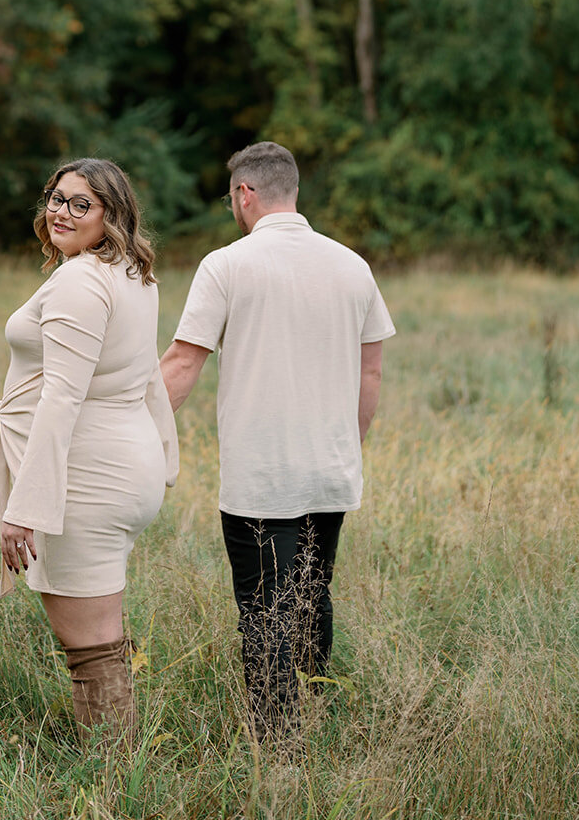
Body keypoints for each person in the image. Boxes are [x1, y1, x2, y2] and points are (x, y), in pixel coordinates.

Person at [160, 141, 395, 737]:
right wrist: (348, 443)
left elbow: (183, 365)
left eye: (230, 198)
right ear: (292, 190)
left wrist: (126, 428)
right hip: (331, 470)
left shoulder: (227, 264)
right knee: (313, 596)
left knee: (264, 610)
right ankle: (311, 717)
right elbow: (371, 372)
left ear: (244, 194)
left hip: (262, 477)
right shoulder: (352, 265)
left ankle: (277, 746)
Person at [0, 158, 178, 741]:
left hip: (87, 478)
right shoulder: (131, 275)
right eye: (55, 198)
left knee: (90, 651)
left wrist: (25, 508)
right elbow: (148, 378)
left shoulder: (80, 282)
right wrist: (164, 459)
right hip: (122, 465)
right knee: (100, 636)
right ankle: (116, 764)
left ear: (111, 215)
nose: (60, 212)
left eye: (80, 204)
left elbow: (61, 398)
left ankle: (111, 778)